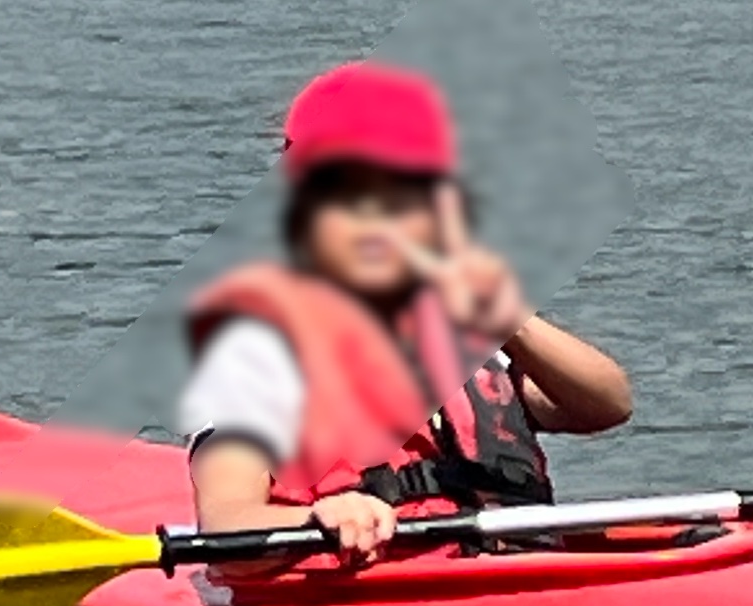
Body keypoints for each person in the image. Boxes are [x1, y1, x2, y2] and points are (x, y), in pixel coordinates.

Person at [179, 62, 631, 563]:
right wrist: (318, 516)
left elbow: (606, 405)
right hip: (367, 602)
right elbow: (226, 521)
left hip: (518, 581)